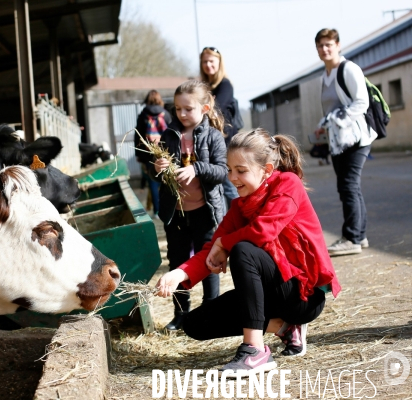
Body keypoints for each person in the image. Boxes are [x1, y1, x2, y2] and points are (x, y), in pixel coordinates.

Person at [155, 129, 341, 376]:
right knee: (195, 324)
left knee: (243, 250)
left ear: (267, 169)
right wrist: (179, 274)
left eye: (241, 170)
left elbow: (262, 231)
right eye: (230, 170)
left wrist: (225, 244)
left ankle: (255, 351)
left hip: (302, 296)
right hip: (270, 295)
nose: (232, 177)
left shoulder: (288, 184)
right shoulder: (239, 206)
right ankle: (284, 327)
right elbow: (212, 249)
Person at [151, 80, 227, 330]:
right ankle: (181, 314)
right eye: (178, 109)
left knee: (209, 261)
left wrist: (196, 168)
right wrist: (159, 169)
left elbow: (222, 171)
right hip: (177, 213)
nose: (182, 114)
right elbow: (160, 175)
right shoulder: (169, 135)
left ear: (204, 108)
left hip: (206, 211)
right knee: (178, 261)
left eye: (188, 109)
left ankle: (211, 311)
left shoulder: (214, 137)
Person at [314, 28, 377, 256]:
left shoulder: (349, 69)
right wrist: (324, 124)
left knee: (349, 186)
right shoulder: (325, 75)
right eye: (320, 46)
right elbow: (332, 108)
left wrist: (339, 120)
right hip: (338, 140)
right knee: (348, 188)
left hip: (356, 138)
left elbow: (361, 102)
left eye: (329, 44)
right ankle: (360, 235)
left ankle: (352, 238)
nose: (325, 49)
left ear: (338, 45)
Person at [199, 46, 239, 212]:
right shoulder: (203, 87)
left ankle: (243, 221)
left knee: (229, 187)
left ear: (219, 62)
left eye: (211, 61)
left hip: (226, 144)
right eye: (205, 62)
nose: (208, 65)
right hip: (211, 145)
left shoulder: (225, 85)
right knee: (217, 189)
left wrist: (204, 107)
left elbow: (216, 109)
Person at [135, 90, 172, 218]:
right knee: (166, 182)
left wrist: (139, 155)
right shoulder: (166, 114)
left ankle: (157, 211)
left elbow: (138, 136)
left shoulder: (143, 115)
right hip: (165, 153)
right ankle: (168, 208)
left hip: (148, 154)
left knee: (153, 182)